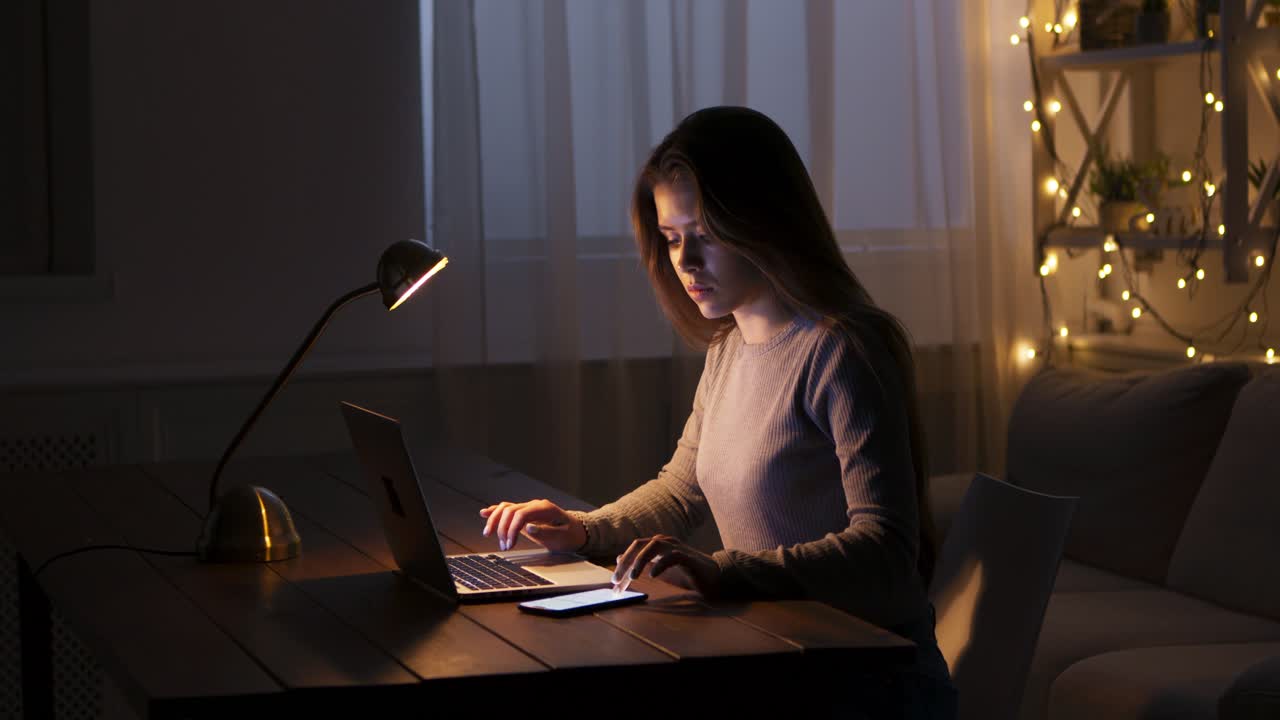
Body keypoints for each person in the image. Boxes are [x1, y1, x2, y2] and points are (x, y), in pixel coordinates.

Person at [479, 106, 957, 719]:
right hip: (777, 652)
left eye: (705, 235)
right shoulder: (729, 348)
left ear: (765, 223)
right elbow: (681, 490)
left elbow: (884, 549)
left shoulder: (845, 349)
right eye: (672, 238)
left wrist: (723, 571)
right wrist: (583, 529)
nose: (684, 261)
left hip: (870, 677)